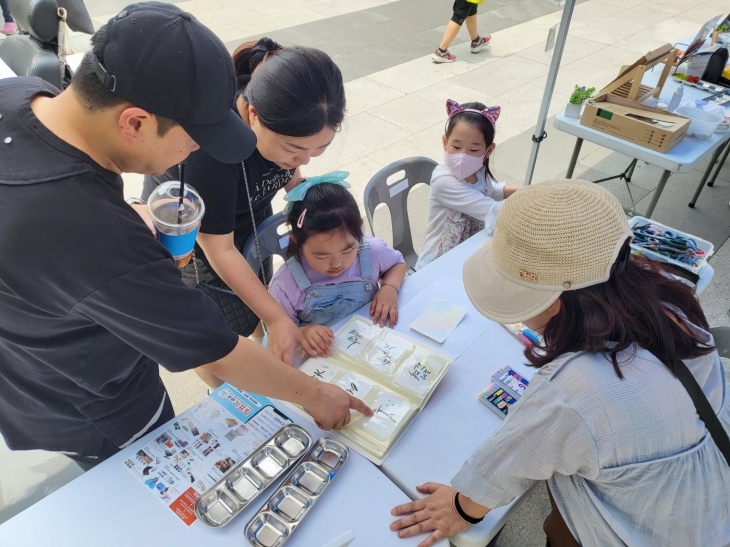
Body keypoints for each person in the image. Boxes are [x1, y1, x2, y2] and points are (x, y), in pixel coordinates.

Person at [0, 2, 370, 470]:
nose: (197, 151)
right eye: (195, 137)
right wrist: (314, 394)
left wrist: (128, 204)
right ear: (134, 122)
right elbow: (214, 346)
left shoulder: (21, 95)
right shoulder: (95, 236)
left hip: (36, 353)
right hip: (94, 406)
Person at [390, 179, 730, 546]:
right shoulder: (667, 299)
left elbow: (506, 466)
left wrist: (459, 507)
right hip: (710, 499)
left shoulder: (576, 389)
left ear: (551, 305)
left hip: (645, 529)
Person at [140, 38, 345, 375]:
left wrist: (308, 194)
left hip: (247, 217)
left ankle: (261, 340)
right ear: (253, 115)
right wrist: (277, 317)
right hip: (196, 243)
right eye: (294, 149)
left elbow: (292, 174)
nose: (302, 160)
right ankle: (222, 392)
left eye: (319, 148)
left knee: (255, 303)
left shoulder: (285, 124)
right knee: (212, 338)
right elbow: (218, 249)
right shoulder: (208, 156)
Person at [268, 174, 407, 357]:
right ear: (295, 241)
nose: (336, 263)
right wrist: (303, 334)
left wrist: (389, 287)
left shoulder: (372, 251)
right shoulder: (285, 283)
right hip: (322, 359)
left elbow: (398, 263)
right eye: (321, 255)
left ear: (359, 228)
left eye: (347, 250)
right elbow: (279, 336)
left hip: (369, 346)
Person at [416, 99, 518, 270]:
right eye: (456, 146)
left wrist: (528, 192)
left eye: (473, 150)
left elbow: (491, 191)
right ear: (445, 142)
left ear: (488, 151)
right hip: (437, 263)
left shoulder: (478, 171)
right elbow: (492, 210)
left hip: (467, 252)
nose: (463, 156)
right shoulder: (443, 182)